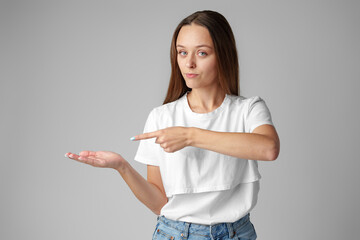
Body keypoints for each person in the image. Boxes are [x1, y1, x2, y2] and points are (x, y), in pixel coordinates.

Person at [65, 10, 280, 240]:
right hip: (175, 234)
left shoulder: (248, 110)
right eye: (182, 52)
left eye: (202, 53)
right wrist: (122, 167)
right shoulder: (162, 117)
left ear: (223, 55)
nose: (189, 63)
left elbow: (268, 149)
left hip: (236, 234)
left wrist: (190, 136)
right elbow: (160, 204)